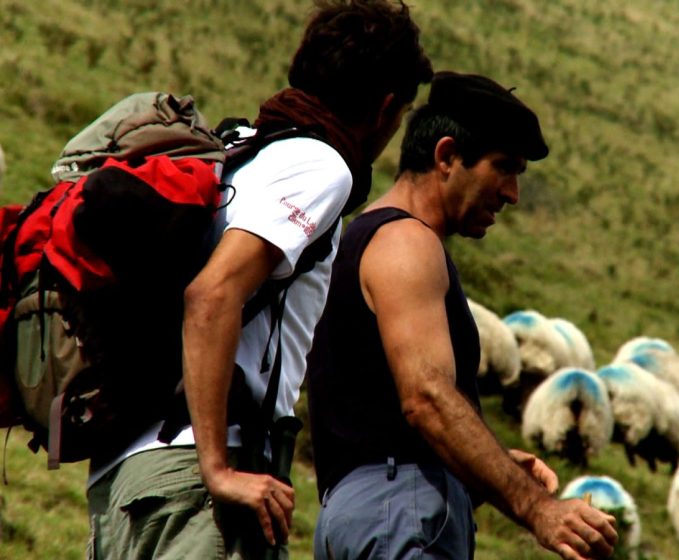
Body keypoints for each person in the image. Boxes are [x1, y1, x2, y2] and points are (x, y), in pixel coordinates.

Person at [85, 1, 432, 558]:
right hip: (195, 481)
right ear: (387, 107)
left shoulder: (242, 149)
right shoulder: (321, 165)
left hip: (124, 472)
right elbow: (212, 293)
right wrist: (218, 469)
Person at [307, 70, 619, 560]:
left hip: (355, 513)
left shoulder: (360, 238)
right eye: (504, 167)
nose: (513, 193)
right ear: (447, 156)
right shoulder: (408, 243)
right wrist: (537, 508)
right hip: (399, 514)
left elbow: (381, 416)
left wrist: (488, 466)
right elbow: (427, 398)